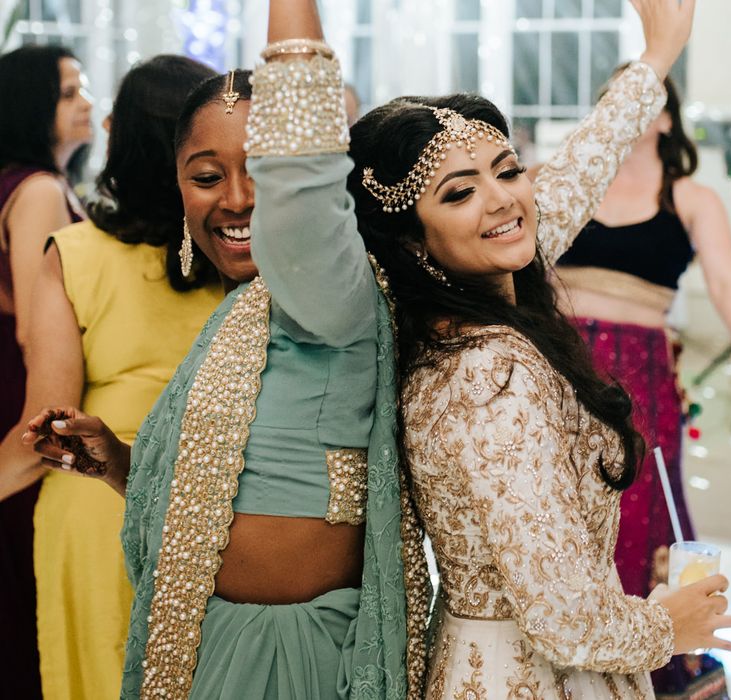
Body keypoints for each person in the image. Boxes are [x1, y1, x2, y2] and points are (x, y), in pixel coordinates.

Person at [346, 0, 731, 696]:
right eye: (459, 192)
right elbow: (566, 619)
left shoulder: (468, 320)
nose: (504, 199)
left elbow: (571, 179)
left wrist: (656, 59)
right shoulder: (491, 374)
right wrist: (666, 627)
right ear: (412, 241)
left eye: (508, 171)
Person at [22, 6, 429, 696]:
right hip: (210, 651)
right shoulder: (243, 310)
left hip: (299, 663)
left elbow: (302, 176)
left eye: (264, 177)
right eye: (206, 177)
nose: (238, 200)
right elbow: (233, 495)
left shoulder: (331, 296)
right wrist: (121, 464)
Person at [0, 55, 221, 699]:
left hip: (97, 509)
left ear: (121, 139)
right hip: (219, 506)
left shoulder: (77, 254)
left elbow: (50, 426)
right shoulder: (241, 256)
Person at [549, 67, 731, 699]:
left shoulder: (690, 197)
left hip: (641, 375)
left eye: (644, 100)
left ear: (667, 118)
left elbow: (727, 282)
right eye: (616, 98)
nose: (631, 109)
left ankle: (648, 670)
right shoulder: (564, 182)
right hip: (561, 368)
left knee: (642, 515)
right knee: (558, 513)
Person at [0, 44, 92, 700]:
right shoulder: (37, 188)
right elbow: (37, 327)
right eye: (68, 91)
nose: (86, 102)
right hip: (24, 399)